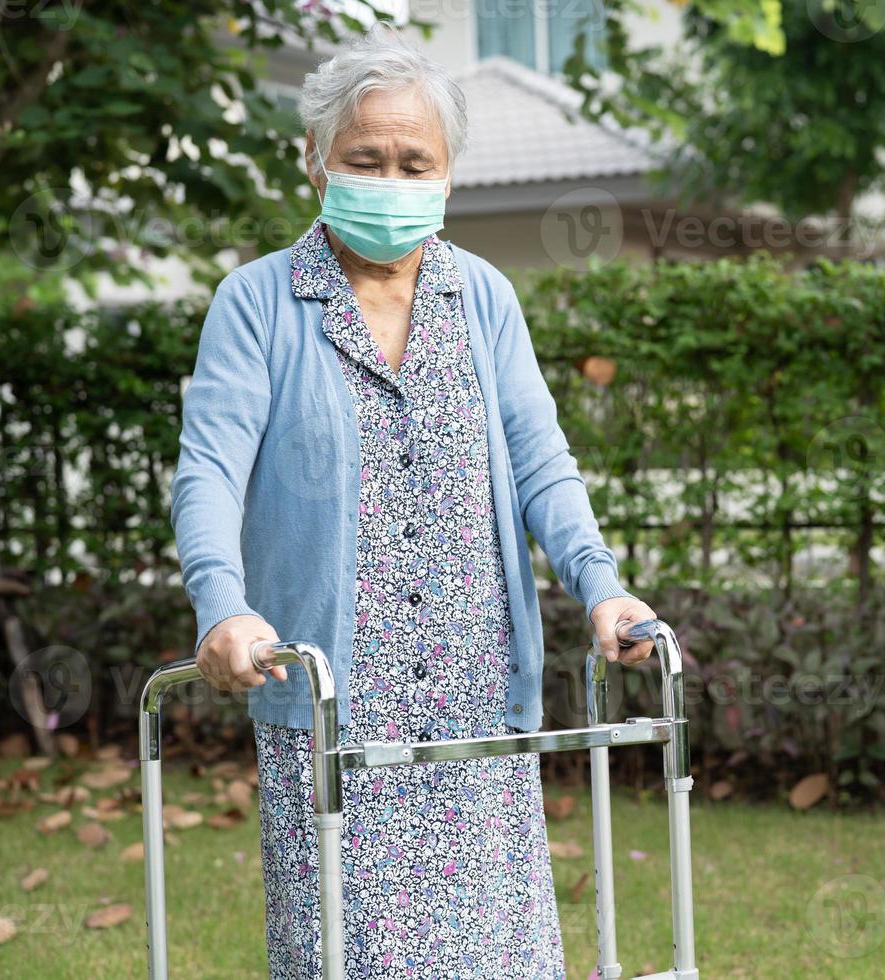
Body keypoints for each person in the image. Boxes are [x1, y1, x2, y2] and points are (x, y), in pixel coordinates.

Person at [169, 24, 656, 978]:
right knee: (348, 954)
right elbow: (210, 472)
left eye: (413, 161)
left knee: (493, 956)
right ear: (314, 160)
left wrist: (601, 586)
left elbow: (540, 461)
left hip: (475, 688)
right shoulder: (258, 302)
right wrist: (221, 604)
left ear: (448, 172)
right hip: (332, 695)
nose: (389, 179)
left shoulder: (483, 297)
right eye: (365, 158)